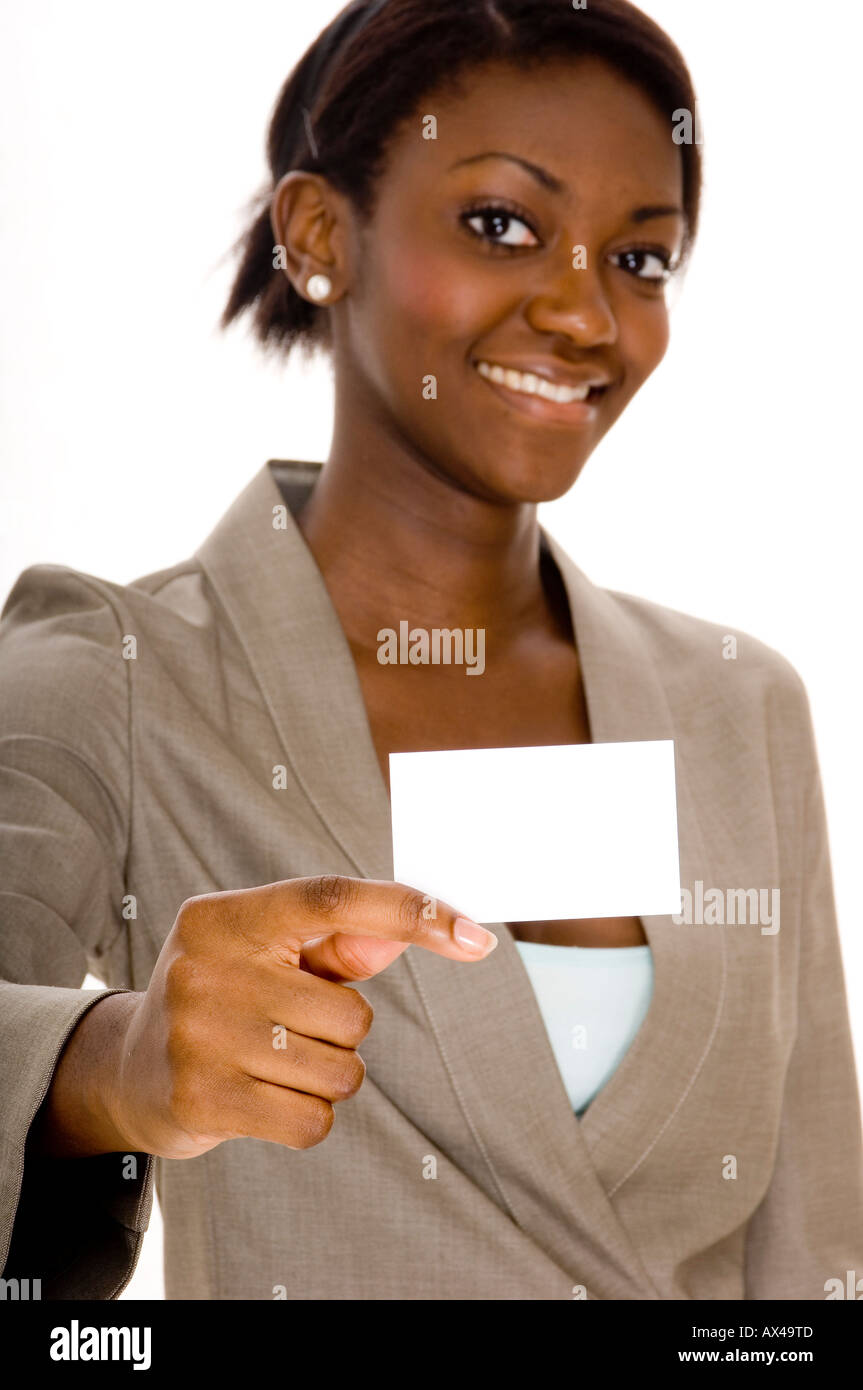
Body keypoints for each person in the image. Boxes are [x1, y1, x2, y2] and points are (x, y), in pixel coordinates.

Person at [1, 0, 861, 1301]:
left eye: (641, 259)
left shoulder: (738, 706)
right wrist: (106, 1063)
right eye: (505, 224)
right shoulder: (116, 677)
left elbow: (815, 1258)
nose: (586, 316)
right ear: (320, 236)